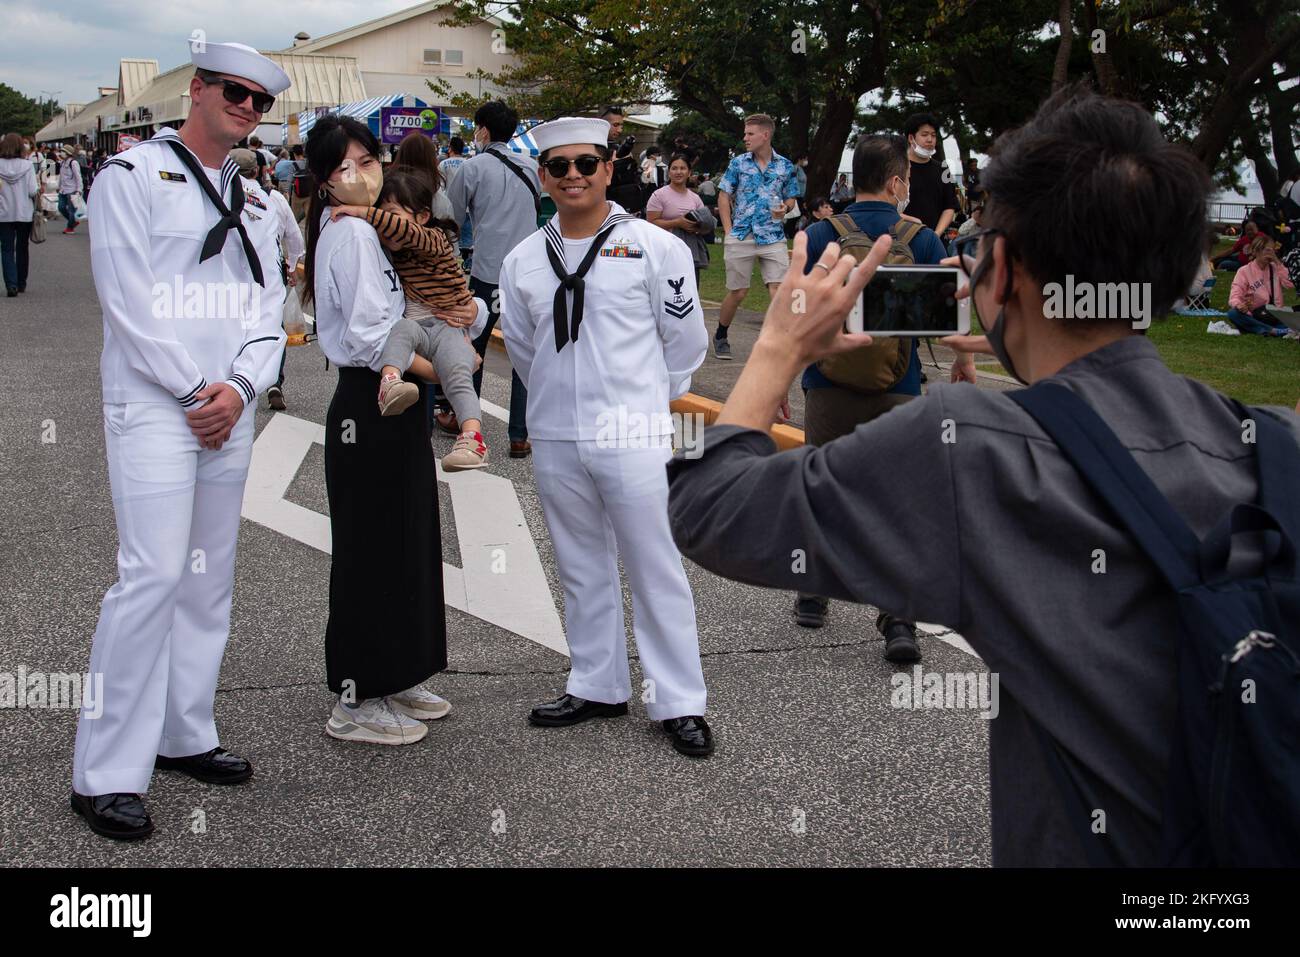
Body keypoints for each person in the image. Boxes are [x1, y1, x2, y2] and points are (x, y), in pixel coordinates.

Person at [665, 86, 1300, 865]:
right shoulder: (1279, 444)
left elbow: (711, 509)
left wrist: (780, 347)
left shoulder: (973, 449)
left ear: (999, 267)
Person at [71, 41, 291, 841]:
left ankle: (184, 730)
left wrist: (238, 387)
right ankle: (104, 773)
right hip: (159, 405)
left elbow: (270, 314)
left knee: (207, 579)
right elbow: (126, 300)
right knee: (151, 578)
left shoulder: (259, 202)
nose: (246, 106)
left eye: (260, 101)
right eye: (234, 91)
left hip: (225, 408)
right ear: (196, 91)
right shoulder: (129, 179)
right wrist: (196, 388)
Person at [498, 117, 713, 757]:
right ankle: (596, 682)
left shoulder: (653, 246)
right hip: (558, 432)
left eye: (585, 163)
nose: (572, 176)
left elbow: (686, 342)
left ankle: (678, 699)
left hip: (633, 432)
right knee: (579, 564)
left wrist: (643, 400)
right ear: (543, 176)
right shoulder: (523, 259)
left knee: (655, 565)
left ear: (608, 167)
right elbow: (526, 350)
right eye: (558, 166)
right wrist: (560, 406)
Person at [302, 115, 471, 746]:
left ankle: (396, 674)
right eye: (340, 167)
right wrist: (456, 373)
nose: (358, 174)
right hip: (369, 403)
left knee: (405, 540)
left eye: (366, 160)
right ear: (322, 182)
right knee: (372, 549)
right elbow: (375, 340)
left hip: (394, 401)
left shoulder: (372, 229)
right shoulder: (349, 236)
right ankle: (355, 697)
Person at [790, 134, 946, 657]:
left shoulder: (818, 233)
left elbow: (796, 314)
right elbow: (941, 317)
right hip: (898, 386)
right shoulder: (920, 238)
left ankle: (813, 593)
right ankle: (898, 619)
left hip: (826, 384)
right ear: (898, 182)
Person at [329, 169, 490, 470]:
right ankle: (390, 382)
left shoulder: (434, 239)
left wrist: (362, 212)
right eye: (380, 216)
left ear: (423, 216)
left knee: (457, 373)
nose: (385, 226)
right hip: (418, 328)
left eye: (391, 215)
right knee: (401, 332)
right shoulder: (390, 252)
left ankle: (472, 437)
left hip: (446, 327)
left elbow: (406, 232)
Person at [446, 100, 539, 458]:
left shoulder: (472, 167)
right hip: (528, 273)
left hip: (487, 271)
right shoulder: (532, 167)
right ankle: (520, 435)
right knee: (524, 353)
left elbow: (451, 218)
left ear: (483, 130)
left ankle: (464, 421)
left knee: (473, 347)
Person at [715, 114, 799, 359]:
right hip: (741, 235)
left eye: (750, 134)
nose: (745, 138)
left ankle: (777, 340)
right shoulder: (738, 163)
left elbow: (792, 197)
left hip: (773, 236)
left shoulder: (785, 166)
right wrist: (729, 231)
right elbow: (723, 196)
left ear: (765, 135)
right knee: (738, 291)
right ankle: (721, 334)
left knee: (778, 289)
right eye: (745, 133)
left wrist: (785, 207)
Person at [229, 147, 304, 411]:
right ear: (260, 170)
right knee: (272, 325)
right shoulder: (274, 198)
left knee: (234, 323)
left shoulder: (219, 194)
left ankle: (235, 377)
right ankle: (273, 380)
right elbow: (295, 239)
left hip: (232, 273)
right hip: (271, 272)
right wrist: (292, 265)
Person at [646, 152, 713, 288]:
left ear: (689, 173)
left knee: (691, 290)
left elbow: (706, 224)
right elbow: (650, 224)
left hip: (690, 252)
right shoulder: (658, 195)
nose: (678, 172)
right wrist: (677, 223)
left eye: (682, 168)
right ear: (669, 172)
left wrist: (697, 227)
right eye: (674, 168)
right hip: (664, 253)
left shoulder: (695, 198)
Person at [901, 112, 959, 234]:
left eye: (933, 135)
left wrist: (935, 235)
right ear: (911, 138)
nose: (930, 140)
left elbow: (950, 206)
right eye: (924, 134)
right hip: (901, 240)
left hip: (935, 239)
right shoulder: (898, 167)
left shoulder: (943, 169)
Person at [1226, 234, 1295, 336]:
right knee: (1233, 313)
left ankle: (1263, 329)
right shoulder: (1244, 271)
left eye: (1272, 250)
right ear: (1255, 251)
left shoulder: (1276, 268)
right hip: (1255, 315)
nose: (1269, 253)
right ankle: (1272, 330)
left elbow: (1290, 284)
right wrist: (1240, 305)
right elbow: (1234, 296)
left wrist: (1277, 262)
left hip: (1275, 315)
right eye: (1266, 250)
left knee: (1294, 316)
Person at [0, 132, 39, 296]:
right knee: (22, 248)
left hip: (3, 212)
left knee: (7, 249)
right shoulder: (27, 165)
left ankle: (11, 284)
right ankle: (21, 282)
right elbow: (32, 190)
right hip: (24, 212)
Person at [439, 135, 473, 268]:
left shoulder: (443, 164)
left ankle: (453, 263)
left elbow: (441, 187)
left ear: (450, 148)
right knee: (468, 237)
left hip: (449, 206)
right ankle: (467, 263)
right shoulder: (469, 163)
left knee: (452, 237)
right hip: (468, 206)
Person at [602, 106, 642, 214]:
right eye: (615, 125)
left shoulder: (618, 149)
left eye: (621, 126)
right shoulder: (593, 149)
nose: (620, 130)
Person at [57, 146, 82, 234]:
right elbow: (61, 176)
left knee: (72, 211)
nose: (61, 153)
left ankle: (70, 227)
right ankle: (73, 221)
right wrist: (58, 186)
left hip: (72, 190)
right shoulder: (62, 163)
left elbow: (78, 177)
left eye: (63, 151)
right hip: (63, 190)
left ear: (68, 153)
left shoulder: (73, 163)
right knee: (61, 207)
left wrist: (79, 190)